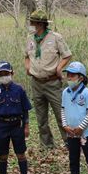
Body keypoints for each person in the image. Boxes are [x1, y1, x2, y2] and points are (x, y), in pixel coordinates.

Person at [24, 10, 72, 149]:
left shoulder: (55, 37)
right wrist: (27, 68)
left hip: (52, 82)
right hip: (36, 82)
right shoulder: (30, 38)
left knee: (60, 114)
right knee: (41, 117)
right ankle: (46, 145)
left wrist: (59, 68)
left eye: (32, 22)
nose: (30, 25)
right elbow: (27, 55)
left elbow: (67, 55)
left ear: (40, 24)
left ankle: (69, 142)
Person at [0, 61, 32, 174]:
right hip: (1, 125)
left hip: (17, 124)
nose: (4, 76)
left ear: (12, 73)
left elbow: (25, 110)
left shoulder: (19, 90)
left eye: (6, 73)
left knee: (21, 154)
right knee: (2, 155)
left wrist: (26, 126)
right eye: (1, 74)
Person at [61, 61, 88, 174]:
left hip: (85, 132)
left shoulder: (87, 93)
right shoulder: (65, 92)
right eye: (68, 75)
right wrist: (65, 125)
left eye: (72, 75)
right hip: (71, 132)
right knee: (73, 156)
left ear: (81, 78)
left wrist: (81, 127)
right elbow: (63, 109)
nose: (69, 78)